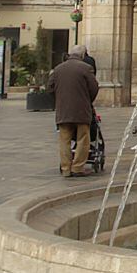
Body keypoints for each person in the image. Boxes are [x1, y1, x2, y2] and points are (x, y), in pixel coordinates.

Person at [49, 46, 99, 176]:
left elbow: (50, 87)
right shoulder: (85, 68)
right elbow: (94, 88)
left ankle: (66, 169)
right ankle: (77, 168)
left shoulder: (58, 69)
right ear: (82, 55)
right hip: (81, 110)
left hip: (63, 110)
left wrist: (59, 100)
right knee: (83, 138)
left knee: (64, 139)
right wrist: (87, 101)